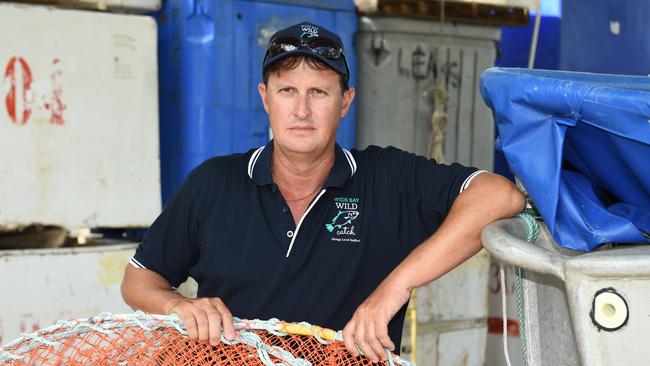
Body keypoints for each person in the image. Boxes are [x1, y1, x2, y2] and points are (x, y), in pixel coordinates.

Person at [121, 21, 525, 363]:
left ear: (345, 101)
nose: (302, 110)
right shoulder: (214, 182)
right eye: (287, 91)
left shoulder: (386, 178)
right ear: (265, 98)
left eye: (319, 92)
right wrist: (180, 305)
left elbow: (500, 196)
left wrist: (394, 288)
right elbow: (138, 279)